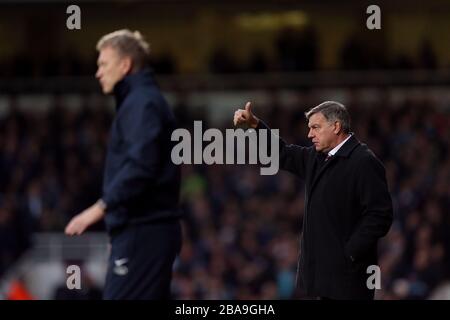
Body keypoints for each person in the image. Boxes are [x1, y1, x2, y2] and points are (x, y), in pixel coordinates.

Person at [65, 29, 182, 300]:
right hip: (141, 231)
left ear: (125, 64)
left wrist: (100, 208)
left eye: (103, 64)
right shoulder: (139, 101)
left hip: (144, 231)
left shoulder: (142, 104)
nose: (98, 72)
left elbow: (141, 166)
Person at [233, 101, 393, 299]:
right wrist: (256, 125)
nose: (310, 134)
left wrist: (349, 253)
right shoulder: (316, 158)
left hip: (349, 279)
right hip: (323, 277)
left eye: (315, 127)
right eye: (309, 128)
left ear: (336, 126)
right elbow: (281, 153)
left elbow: (380, 215)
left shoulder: (364, 162)